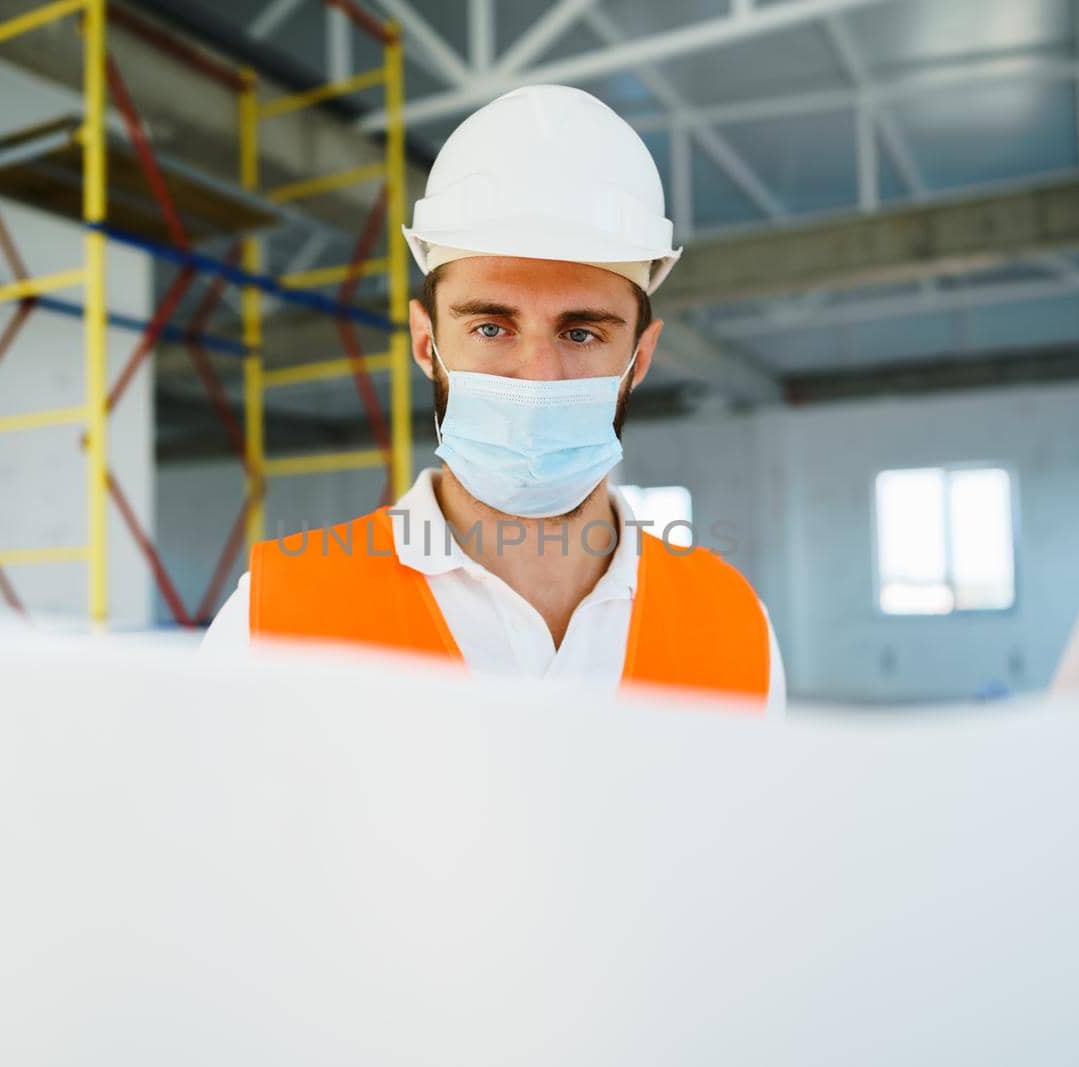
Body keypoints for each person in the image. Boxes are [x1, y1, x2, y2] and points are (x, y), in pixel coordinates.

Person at [203, 84, 786, 713]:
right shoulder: (274, 616)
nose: (536, 376)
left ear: (638, 359)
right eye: (490, 327)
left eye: (582, 332)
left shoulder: (735, 626)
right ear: (426, 343)